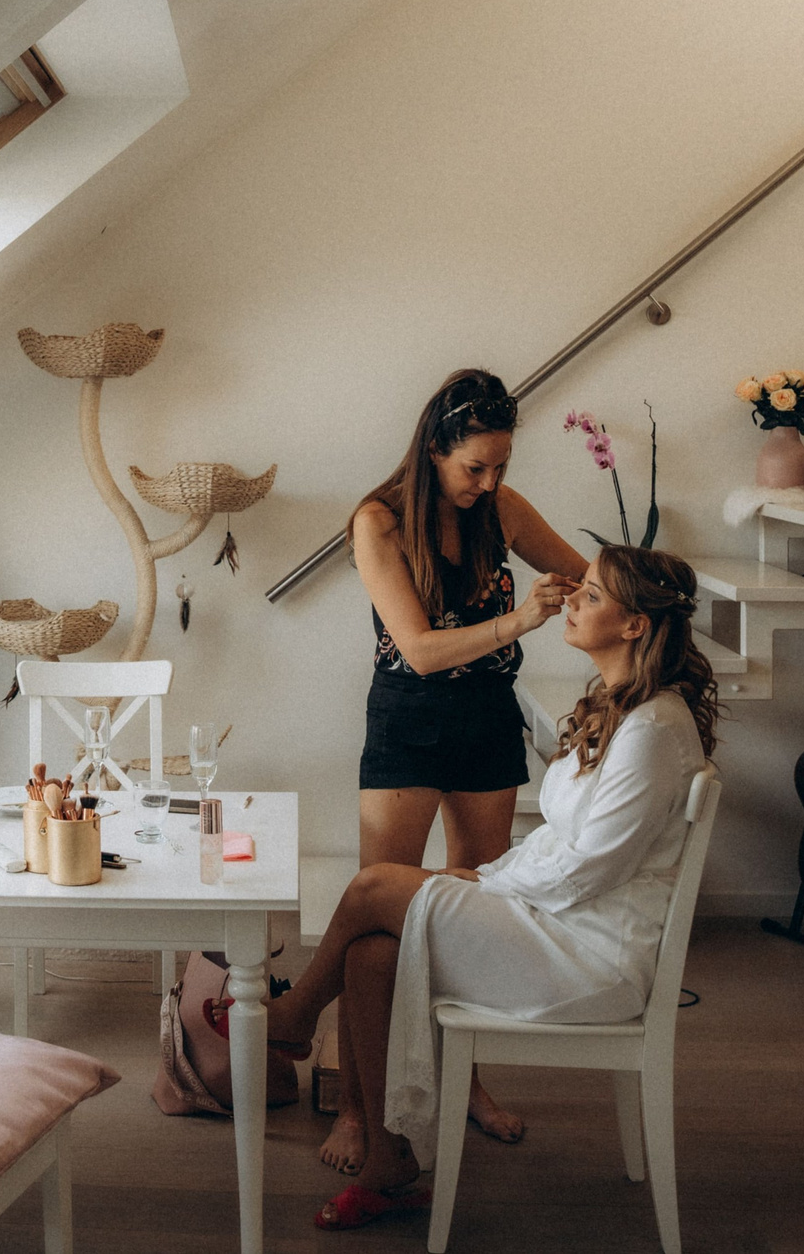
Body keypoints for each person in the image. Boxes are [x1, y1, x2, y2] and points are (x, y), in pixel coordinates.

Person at [262, 545, 721, 1231]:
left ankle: (292, 1018)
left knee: (369, 891)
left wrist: (482, 879)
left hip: (591, 955)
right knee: (370, 954)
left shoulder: (654, 729)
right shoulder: (620, 707)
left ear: (634, 626)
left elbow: (591, 865)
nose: (570, 600)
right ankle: (390, 1163)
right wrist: (489, 877)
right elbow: (560, 841)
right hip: (556, 920)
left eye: (591, 595)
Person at [326, 368, 586, 1170]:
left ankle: (464, 1081)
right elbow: (421, 651)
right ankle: (353, 1107)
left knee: (472, 902)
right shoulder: (377, 521)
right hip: (407, 720)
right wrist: (521, 619)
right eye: (476, 466)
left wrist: (632, 592)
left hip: (485, 722)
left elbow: (585, 576)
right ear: (435, 448)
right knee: (378, 919)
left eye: (501, 466)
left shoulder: (500, 509)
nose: (491, 482)